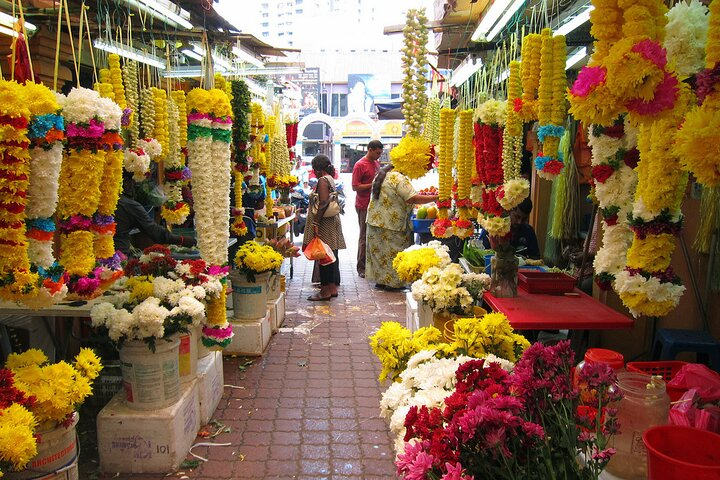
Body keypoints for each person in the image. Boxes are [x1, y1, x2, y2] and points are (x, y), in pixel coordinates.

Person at [366, 165, 438, 290]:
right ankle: (393, 284)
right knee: (394, 254)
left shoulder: (381, 174)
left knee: (380, 254)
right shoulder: (398, 178)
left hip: (375, 221)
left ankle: (381, 281)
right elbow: (413, 198)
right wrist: (437, 197)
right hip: (392, 225)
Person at [115, 172, 196, 257]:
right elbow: (154, 231)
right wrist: (181, 240)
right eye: (132, 182)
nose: (133, 186)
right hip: (118, 256)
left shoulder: (109, 202)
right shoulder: (129, 205)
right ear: (125, 182)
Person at [303, 155, 346, 301]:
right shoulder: (330, 179)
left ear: (318, 169)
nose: (314, 172)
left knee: (324, 257)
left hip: (324, 223)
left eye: (315, 169)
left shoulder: (322, 180)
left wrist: (316, 223)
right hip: (332, 221)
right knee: (330, 255)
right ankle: (332, 288)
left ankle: (325, 291)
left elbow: (323, 202)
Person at [351, 140, 383, 278]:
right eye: (377, 153)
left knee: (374, 235)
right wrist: (373, 184)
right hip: (363, 204)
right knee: (364, 236)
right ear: (369, 149)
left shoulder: (376, 163)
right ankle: (361, 267)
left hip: (375, 204)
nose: (379, 156)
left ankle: (372, 265)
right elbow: (355, 187)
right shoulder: (359, 165)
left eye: (380, 153)